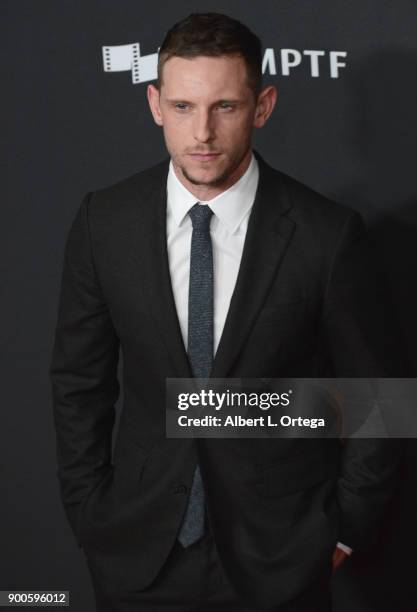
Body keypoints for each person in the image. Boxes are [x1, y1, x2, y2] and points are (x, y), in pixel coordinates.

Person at [49, 12, 403, 612]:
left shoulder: (326, 234)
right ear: (155, 103)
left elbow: (376, 399)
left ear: (262, 106)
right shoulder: (102, 222)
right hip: (137, 552)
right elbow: (78, 384)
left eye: (226, 107)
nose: (202, 134)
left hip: (282, 556)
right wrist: (91, 513)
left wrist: (344, 530)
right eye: (184, 107)